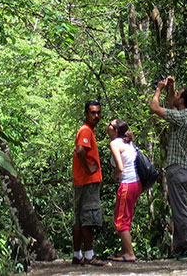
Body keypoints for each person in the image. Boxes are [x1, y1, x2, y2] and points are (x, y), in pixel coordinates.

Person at [149, 75, 187, 259]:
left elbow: (155, 108)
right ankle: (181, 248)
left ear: (182, 100)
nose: (175, 96)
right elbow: (173, 104)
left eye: (178, 94)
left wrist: (158, 89)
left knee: (180, 210)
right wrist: (171, 88)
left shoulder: (181, 118)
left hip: (178, 169)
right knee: (178, 207)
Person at [72, 100, 106, 266]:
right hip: (87, 181)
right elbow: (80, 150)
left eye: (98, 112)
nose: (96, 116)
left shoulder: (86, 130)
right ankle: (89, 255)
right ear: (86, 114)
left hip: (81, 181)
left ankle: (77, 255)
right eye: (92, 112)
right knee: (88, 218)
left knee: (79, 219)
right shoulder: (85, 130)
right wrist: (88, 168)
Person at [106, 118, 140, 263]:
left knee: (121, 220)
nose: (107, 126)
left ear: (115, 130)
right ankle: (124, 251)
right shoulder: (127, 142)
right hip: (136, 183)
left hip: (127, 183)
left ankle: (130, 254)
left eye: (110, 125)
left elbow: (120, 167)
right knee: (126, 217)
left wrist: (114, 176)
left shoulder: (115, 143)